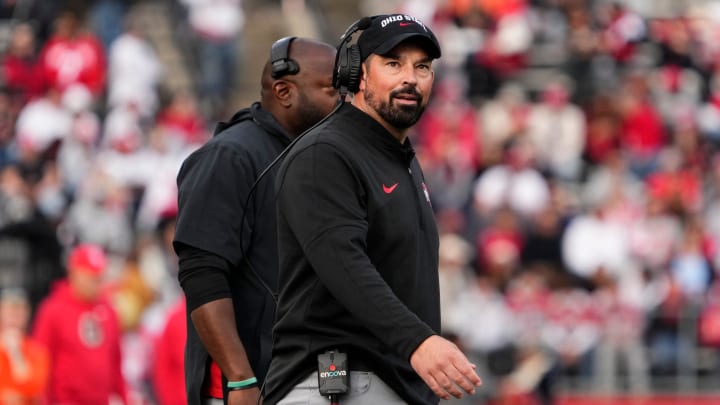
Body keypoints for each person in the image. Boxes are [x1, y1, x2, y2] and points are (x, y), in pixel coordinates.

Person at [264, 14, 483, 405]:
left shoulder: (402, 159)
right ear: (357, 75)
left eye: (422, 67)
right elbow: (344, 264)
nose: (410, 78)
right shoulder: (325, 154)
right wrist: (419, 342)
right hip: (336, 383)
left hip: (387, 384)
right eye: (393, 63)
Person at [173, 37, 339, 405]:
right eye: (331, 90)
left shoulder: (321, 158)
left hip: (315, 382)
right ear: (284, 91)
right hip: (253, 386)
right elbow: (202, 274)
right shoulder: (230, 156)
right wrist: (239, 379)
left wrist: (334, 384)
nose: (342, 101)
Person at [31, 243, 127, 404]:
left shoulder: (108, 311)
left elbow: (115, 361)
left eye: (100, 277)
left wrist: (123, 397)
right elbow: (41, 361)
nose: (97, 282)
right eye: (91, 276)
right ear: (75, 274)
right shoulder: (53, 309)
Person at [0, 288, 49, 404]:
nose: (14, 316)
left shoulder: (37, 351)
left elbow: (34, 387)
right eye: (10, 310)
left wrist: (16, 354)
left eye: (19, 311)